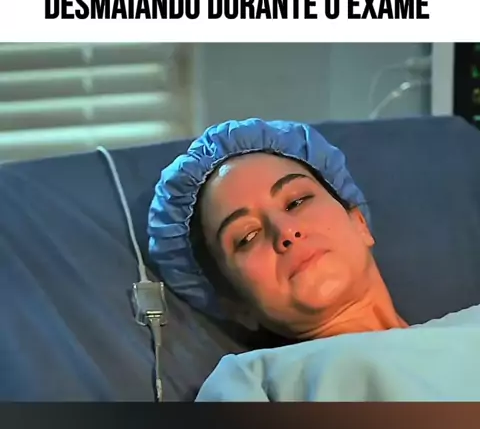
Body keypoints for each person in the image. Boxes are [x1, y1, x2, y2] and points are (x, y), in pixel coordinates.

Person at [148, 118, 480, 401]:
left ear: (359, 223)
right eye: (247, 236)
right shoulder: (250, 381)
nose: (285, 231)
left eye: (297, 202)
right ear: (238, 306)